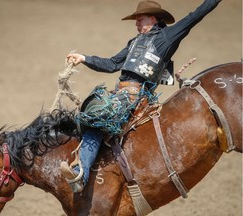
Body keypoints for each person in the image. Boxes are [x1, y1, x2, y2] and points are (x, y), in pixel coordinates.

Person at [59, 0, 222, 193]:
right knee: (84, 116)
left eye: (140, 19)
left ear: (153, 18)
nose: (136, 24)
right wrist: (84, 58)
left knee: (96, 119)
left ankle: (80, 175)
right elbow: (112, 64)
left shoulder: (167, 37)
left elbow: (195, 16)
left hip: (135, 97)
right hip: (119, 94)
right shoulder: (135, 41)